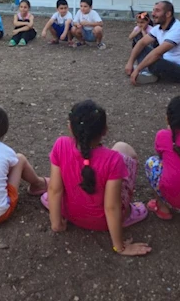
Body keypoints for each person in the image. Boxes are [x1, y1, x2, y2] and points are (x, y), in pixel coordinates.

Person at [41, 100, 151, 256]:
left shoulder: (61, 144)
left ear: (70, 128)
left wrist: (56, 223)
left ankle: (55, 210)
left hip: (69, 212)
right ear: (105, 130)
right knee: (123, 148)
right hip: (102, 222)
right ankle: (128, 214)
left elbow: (54, 188)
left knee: (52, 192)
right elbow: (111, 207)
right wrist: (120, 247)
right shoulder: (113, 159)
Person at [125, 1, 180, 85]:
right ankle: (146, 70)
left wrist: (138, 69)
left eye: (157, 11)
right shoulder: (158, 28)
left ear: (168, 14)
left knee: (155, 61)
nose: (153, 14)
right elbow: (142, 43)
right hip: (169, 61)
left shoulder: (177, 30)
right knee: (138, 44)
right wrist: (130, 62)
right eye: (153, 10)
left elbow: (157, 53)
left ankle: (149, 73)